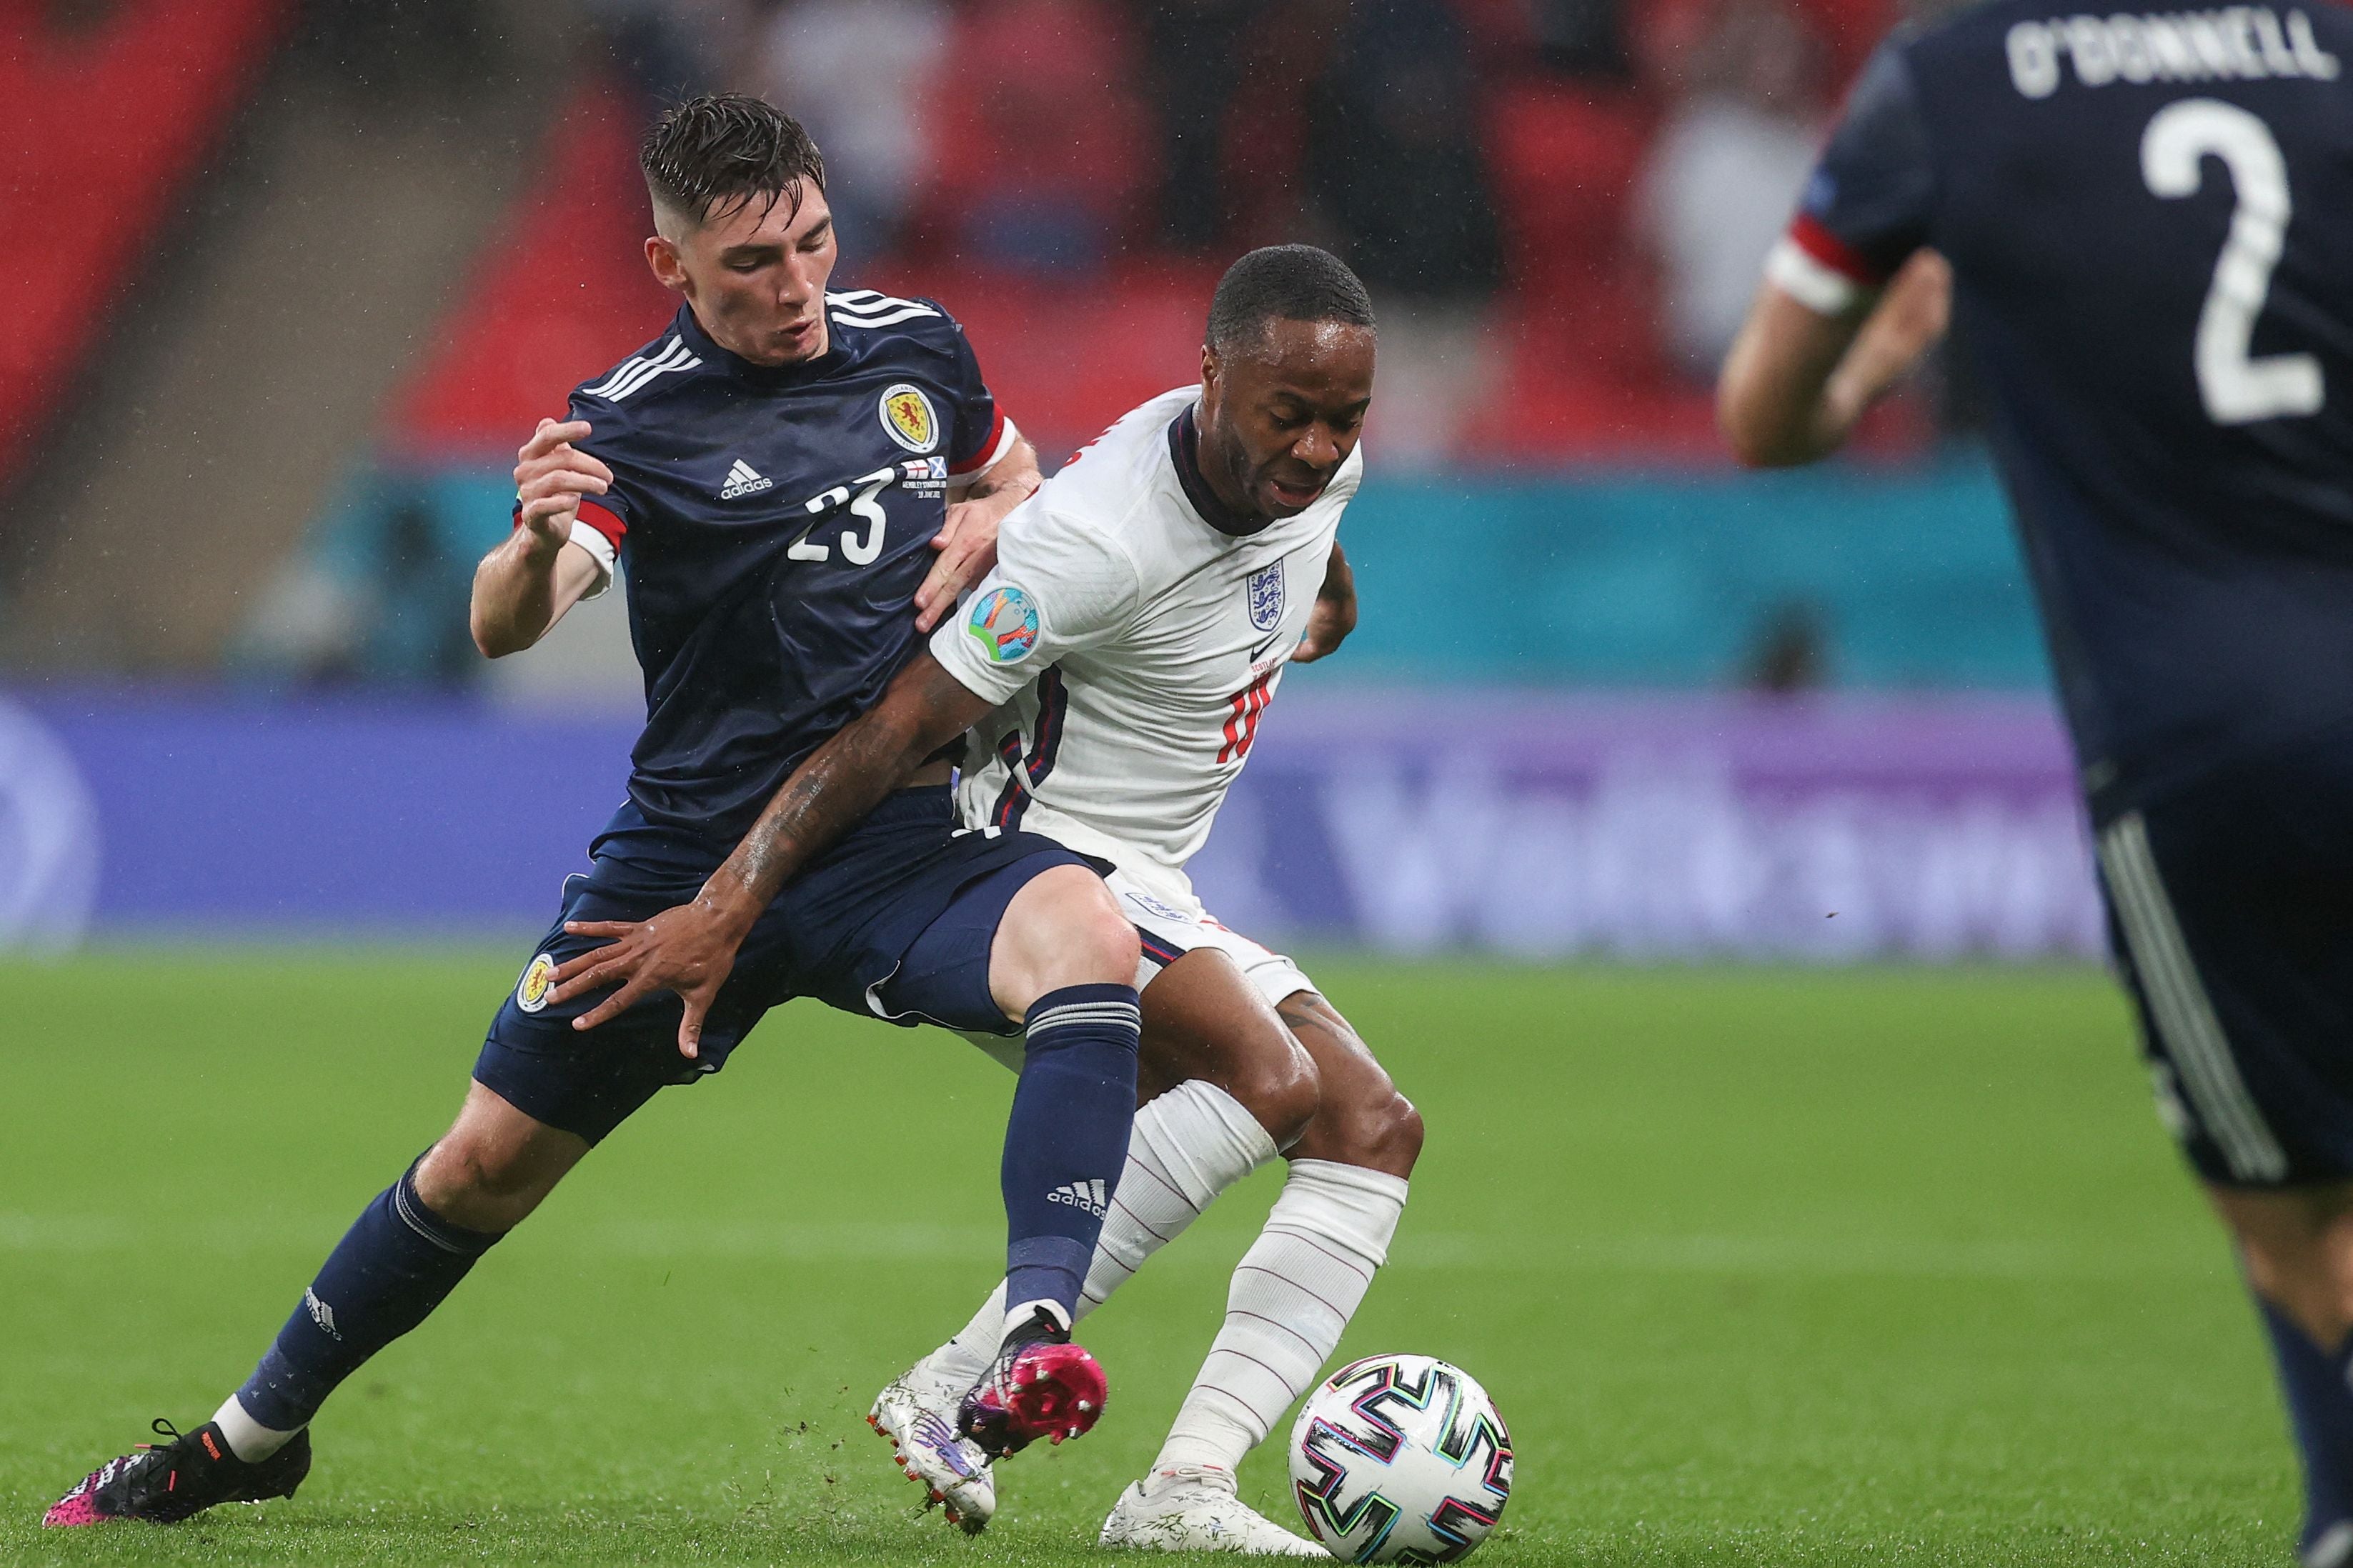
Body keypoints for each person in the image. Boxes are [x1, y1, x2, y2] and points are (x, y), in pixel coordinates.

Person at [44, 94, 1147, 1529]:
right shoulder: (629, 423)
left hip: (890, 831)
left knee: (1090, 940)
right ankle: (252, 1438)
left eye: (814, 241)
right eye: (752, 265)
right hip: (685, 862)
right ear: (668, 266)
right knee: (481, 1168)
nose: (800, 285)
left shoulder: (917, 348)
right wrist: (536, 539)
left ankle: (1033, 1338)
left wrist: (1008, 506)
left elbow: (1005, 471)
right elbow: (513, 618)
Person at [543, 244, 1421, 1553]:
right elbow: (892, 735)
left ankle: (1176, 1491)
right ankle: (960, 1385)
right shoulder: (1086, 541)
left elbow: (1308, 527)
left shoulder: (1316, 462)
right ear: (1209, 380)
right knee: (1271, 1079)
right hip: (1026, 854)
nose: (1311, 447)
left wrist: (1321, 590)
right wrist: (731, 899)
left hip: (1157, 869)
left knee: (1372, 1129)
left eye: (1339, 419)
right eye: (1282, 416)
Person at [1715, 9, 2353, 1564]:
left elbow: (1761, 417)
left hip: (2199, 732)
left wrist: (1877, 361)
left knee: (2291, 1219)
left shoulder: (1952, 86)